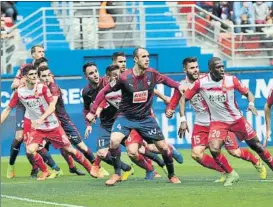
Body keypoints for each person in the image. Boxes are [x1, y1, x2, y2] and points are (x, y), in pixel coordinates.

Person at [86, 47, 185, 186]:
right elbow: (104, 91)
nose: (147, 59)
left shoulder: (152, 74)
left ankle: (172, 174)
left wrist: (178, 86)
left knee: (162, 147)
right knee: (114, 141)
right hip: (125, 117)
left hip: (145, 118)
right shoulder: (124, 77)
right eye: (143, 56)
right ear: (136, 59)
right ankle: (116, 174)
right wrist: (92, 111)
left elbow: (168, 81)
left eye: (148, 56)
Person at [173, 57, 273, 186]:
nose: (222, 70)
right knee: (214, 149)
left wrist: (251, 103)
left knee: (257, 146)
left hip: (237, 120)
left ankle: (263, 164)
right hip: (218, 123)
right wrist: (182, 119)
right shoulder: (201, 83)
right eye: (218, 67)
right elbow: (182, 99)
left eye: (222, 67)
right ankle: (231, 173)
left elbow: (248, 93)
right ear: (210, 70)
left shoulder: (231, 80)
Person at [1, 65, 93, 181]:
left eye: (35, 74)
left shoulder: (43, 88)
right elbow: (8, 109)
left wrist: (40, 119)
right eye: (31, 74)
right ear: (24, 77)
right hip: (38, 129)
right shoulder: (19, 92)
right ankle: (45, 170)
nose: (34, 76)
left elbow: (52, 107)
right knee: (30, 150)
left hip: (52, 125)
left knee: (70, 149)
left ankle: (90, 169)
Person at [7, 45, 61, 179]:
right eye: (39, 52)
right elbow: (13, 85)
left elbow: (51, 86)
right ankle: (11, 165)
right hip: (23, 105)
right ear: (33, 54)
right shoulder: (24, 68)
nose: (42, 54)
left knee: (37, 142)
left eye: (43, 52)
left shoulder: (46, 70)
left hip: (38, 107)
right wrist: (22, 83)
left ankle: (47, 168)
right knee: (20, 138)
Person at [38, 66, 100, 177]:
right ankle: (57, 168)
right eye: (44, 76)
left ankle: (97, 167)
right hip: (50, 124)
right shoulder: (38, 89)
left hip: (63, 122)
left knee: (79, 147)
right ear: (39, 77)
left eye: (48, 75)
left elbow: (52, 106)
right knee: (38, 147)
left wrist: (40, 119)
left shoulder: (54, 88)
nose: (47, 78)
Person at [82, 62, 133, 179]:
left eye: (96, 71)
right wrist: (88, 124)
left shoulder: (108, 82)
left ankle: (154, 169)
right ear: (86, 77)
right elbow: (86, 108)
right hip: (105, 124)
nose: (95, 75)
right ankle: (126, 168)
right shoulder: (86, 92)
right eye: (91, 73)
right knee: (102, 154)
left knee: (136, 149)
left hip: (120, 121)